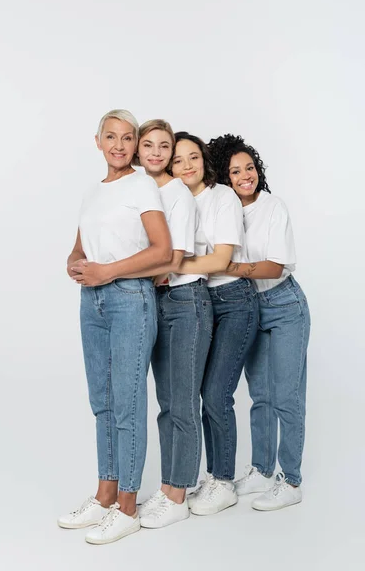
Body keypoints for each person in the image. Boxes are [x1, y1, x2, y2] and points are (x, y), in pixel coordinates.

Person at [57, 109, 172, 544]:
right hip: (93, 301)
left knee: (126, 403)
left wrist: (109, 272)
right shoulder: (92, 192)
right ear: (98, 141)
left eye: (128, 138)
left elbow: (161, 251)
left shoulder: (141, 184)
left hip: (129, 300)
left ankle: (127, 505)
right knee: (102, 402)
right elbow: (80, 245)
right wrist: (75, 263)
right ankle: (105, 494)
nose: (120, 145)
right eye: (112, 137)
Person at [208, 133, 310, 511]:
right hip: (250, 306)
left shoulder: (273, 206)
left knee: (286, 396)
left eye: (249, 167)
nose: (244, 175)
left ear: (258, 170)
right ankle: (262, 470)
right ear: (225, 177)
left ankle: (292, 479)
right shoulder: (226, 209)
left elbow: (275, 265)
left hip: (284, 304)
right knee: (261, 396)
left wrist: (231, 266)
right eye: (235, 171)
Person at [171, 132, 259, 516]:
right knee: (201, 395)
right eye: (178, 160)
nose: (187, 165)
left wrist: (169, 266)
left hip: (236, 300)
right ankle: (213, 475)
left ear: (205, 160)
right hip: (203, 302)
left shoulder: (221, 196)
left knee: (217, 394)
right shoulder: (176, 200)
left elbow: (221, 261)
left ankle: (223, 482)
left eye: (193, 157)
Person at [132, 120, 213, 529]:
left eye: (165, 146)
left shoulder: (176, 192)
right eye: (150, 145)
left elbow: (175, 258)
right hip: (159, 300)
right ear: (138, 150)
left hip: (186, 302)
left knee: (182, 402)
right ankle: (167, 487)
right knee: (166, 403)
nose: (158, 153)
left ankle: (179, 493)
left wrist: (124, 275)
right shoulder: (139, 191)